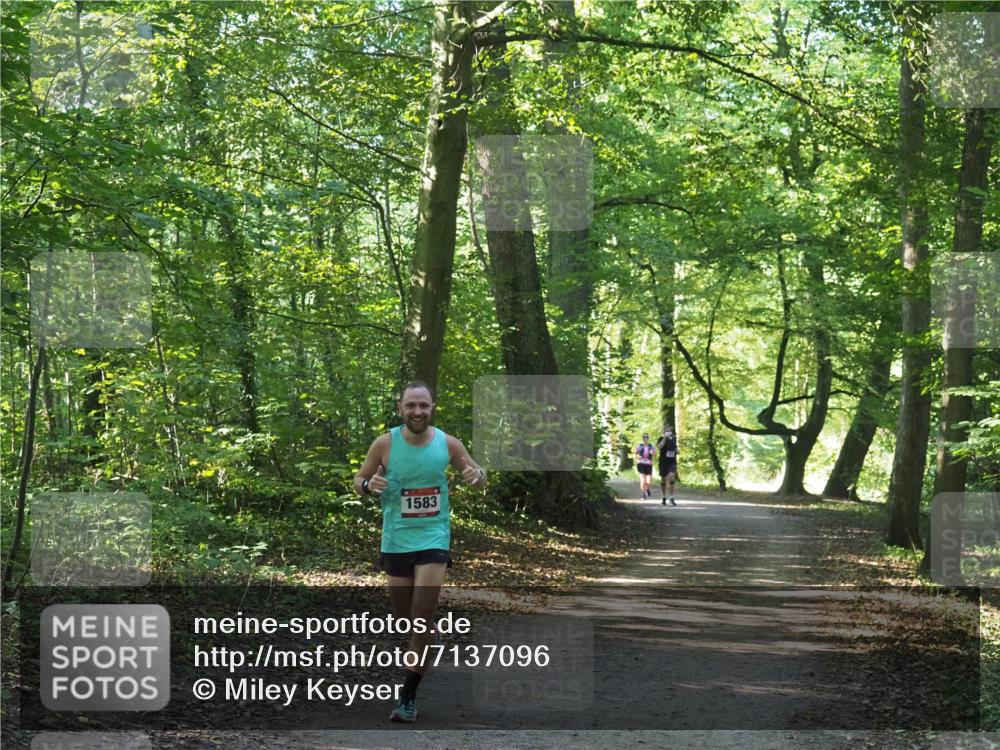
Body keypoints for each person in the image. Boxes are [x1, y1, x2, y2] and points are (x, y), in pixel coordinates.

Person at [354, 380, 486, 723]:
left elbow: (477, 474)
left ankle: (408, 697)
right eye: (411, 405)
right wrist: (369, 485)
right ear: (401, 408)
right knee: (405, 619)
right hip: (396, 539)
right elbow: (359, 479)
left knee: (422, 614)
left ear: (432, 409)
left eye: (423, 406)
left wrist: (477, 477)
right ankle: (428, 635)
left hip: (433, 537)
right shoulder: (385, 443)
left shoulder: (448, 443)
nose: (417, 412)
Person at [657, 426, 679, 506]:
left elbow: (677, 450)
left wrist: (677, 450)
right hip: (663, 462)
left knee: (671, 476)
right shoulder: (660, 439)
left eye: (669, 431)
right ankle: (663, 497)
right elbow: (659, 447)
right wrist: (665, 439)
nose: (668, 432)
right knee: (663, 480)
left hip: (672, 462)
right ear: (664, 432)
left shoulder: (673, 440)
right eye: (666, 431)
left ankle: (671, 497)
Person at [635, 433, 655, 498]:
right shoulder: (639, 446)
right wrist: (638, 456)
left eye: (646, 437)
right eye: (644, 437)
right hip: (641, 464)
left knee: (648, 481)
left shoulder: (651, 446)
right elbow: (635, 455)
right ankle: (643, 494)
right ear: (642, 438)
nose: (645, 439)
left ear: (648, 438)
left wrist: (653, 453)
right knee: (643, 480)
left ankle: (647, 488)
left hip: (649, 464)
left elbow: (655, 454)